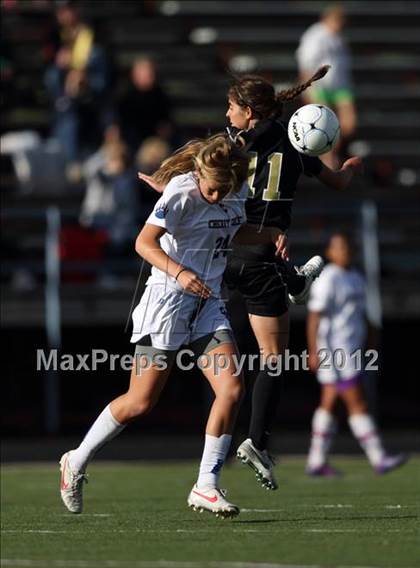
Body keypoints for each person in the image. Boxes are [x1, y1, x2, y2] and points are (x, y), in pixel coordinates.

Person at [139, 66, 364, 491]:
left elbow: (196, 162)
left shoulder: (231, 144)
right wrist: (350, 168)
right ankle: (256, 441)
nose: (227, 112)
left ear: (248, 111)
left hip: (221, 253)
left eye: (231, 106)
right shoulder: (298, 144)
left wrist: (166, 184)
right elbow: (337, 182)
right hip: (259, 252)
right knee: (274, 357)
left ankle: (292, 281)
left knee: (223, 357)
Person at [59, 134, 286, 518]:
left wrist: (271, 234)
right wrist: (179, 272)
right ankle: (75, 460)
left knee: (232, 389)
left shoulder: (232, 185)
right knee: (140, 402)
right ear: (198, 173)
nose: (217, 196)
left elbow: (231, 228)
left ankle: (206, 485)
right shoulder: (180, 192)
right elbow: (144, 243)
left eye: (222, 190)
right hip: (166, 303)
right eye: (211, 190)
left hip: (208, 305)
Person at [306, 232, 407, 476]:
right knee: (357, 401)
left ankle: (316, 460)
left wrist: (372, 341)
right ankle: (378, 456)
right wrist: (314, 351)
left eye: (348, 246)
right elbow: (314, 316)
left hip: (352, 349)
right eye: (339, 247)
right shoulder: (327, 278)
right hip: (335, 351)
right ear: (329, 252)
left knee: (329, 402)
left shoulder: (356, 277)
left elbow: (363, 316)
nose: (345, 251)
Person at [296, 3, 357, 169]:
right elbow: (306, 64)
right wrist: (309, 89)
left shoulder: (339, 38)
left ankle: (331, 153)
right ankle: (327, 161)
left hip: (339, 86)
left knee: (348, 124)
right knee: (325, 125)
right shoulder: (315, 36)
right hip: (319, 86)